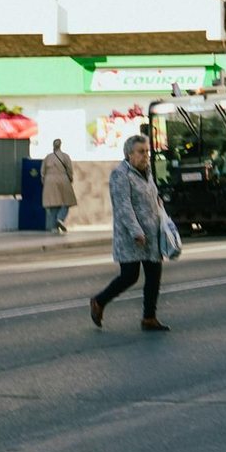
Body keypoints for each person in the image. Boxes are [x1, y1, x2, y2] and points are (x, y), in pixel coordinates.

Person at [90, 135, 169, 332]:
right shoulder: (121, 175)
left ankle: (149, 317)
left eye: (147, 151)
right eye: (141, 152)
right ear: (129, 154)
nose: (146, 156)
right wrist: (136, 231)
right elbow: (123, 207)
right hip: (131, 237)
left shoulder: (147, 173)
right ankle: (99, 301)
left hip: (151, 235)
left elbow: (152, 196)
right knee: (129, 276)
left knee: (154, 274)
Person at [40, 138, 78, 233]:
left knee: (53, 204)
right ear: (60, 145)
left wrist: (45, 181)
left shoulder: (48, 157)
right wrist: (70, 178)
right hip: (62, 178)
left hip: (49, 180)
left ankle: (54, 228)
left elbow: (42, 172)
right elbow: (69, 169)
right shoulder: (65, 156)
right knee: (67, 201)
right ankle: (60, 218)